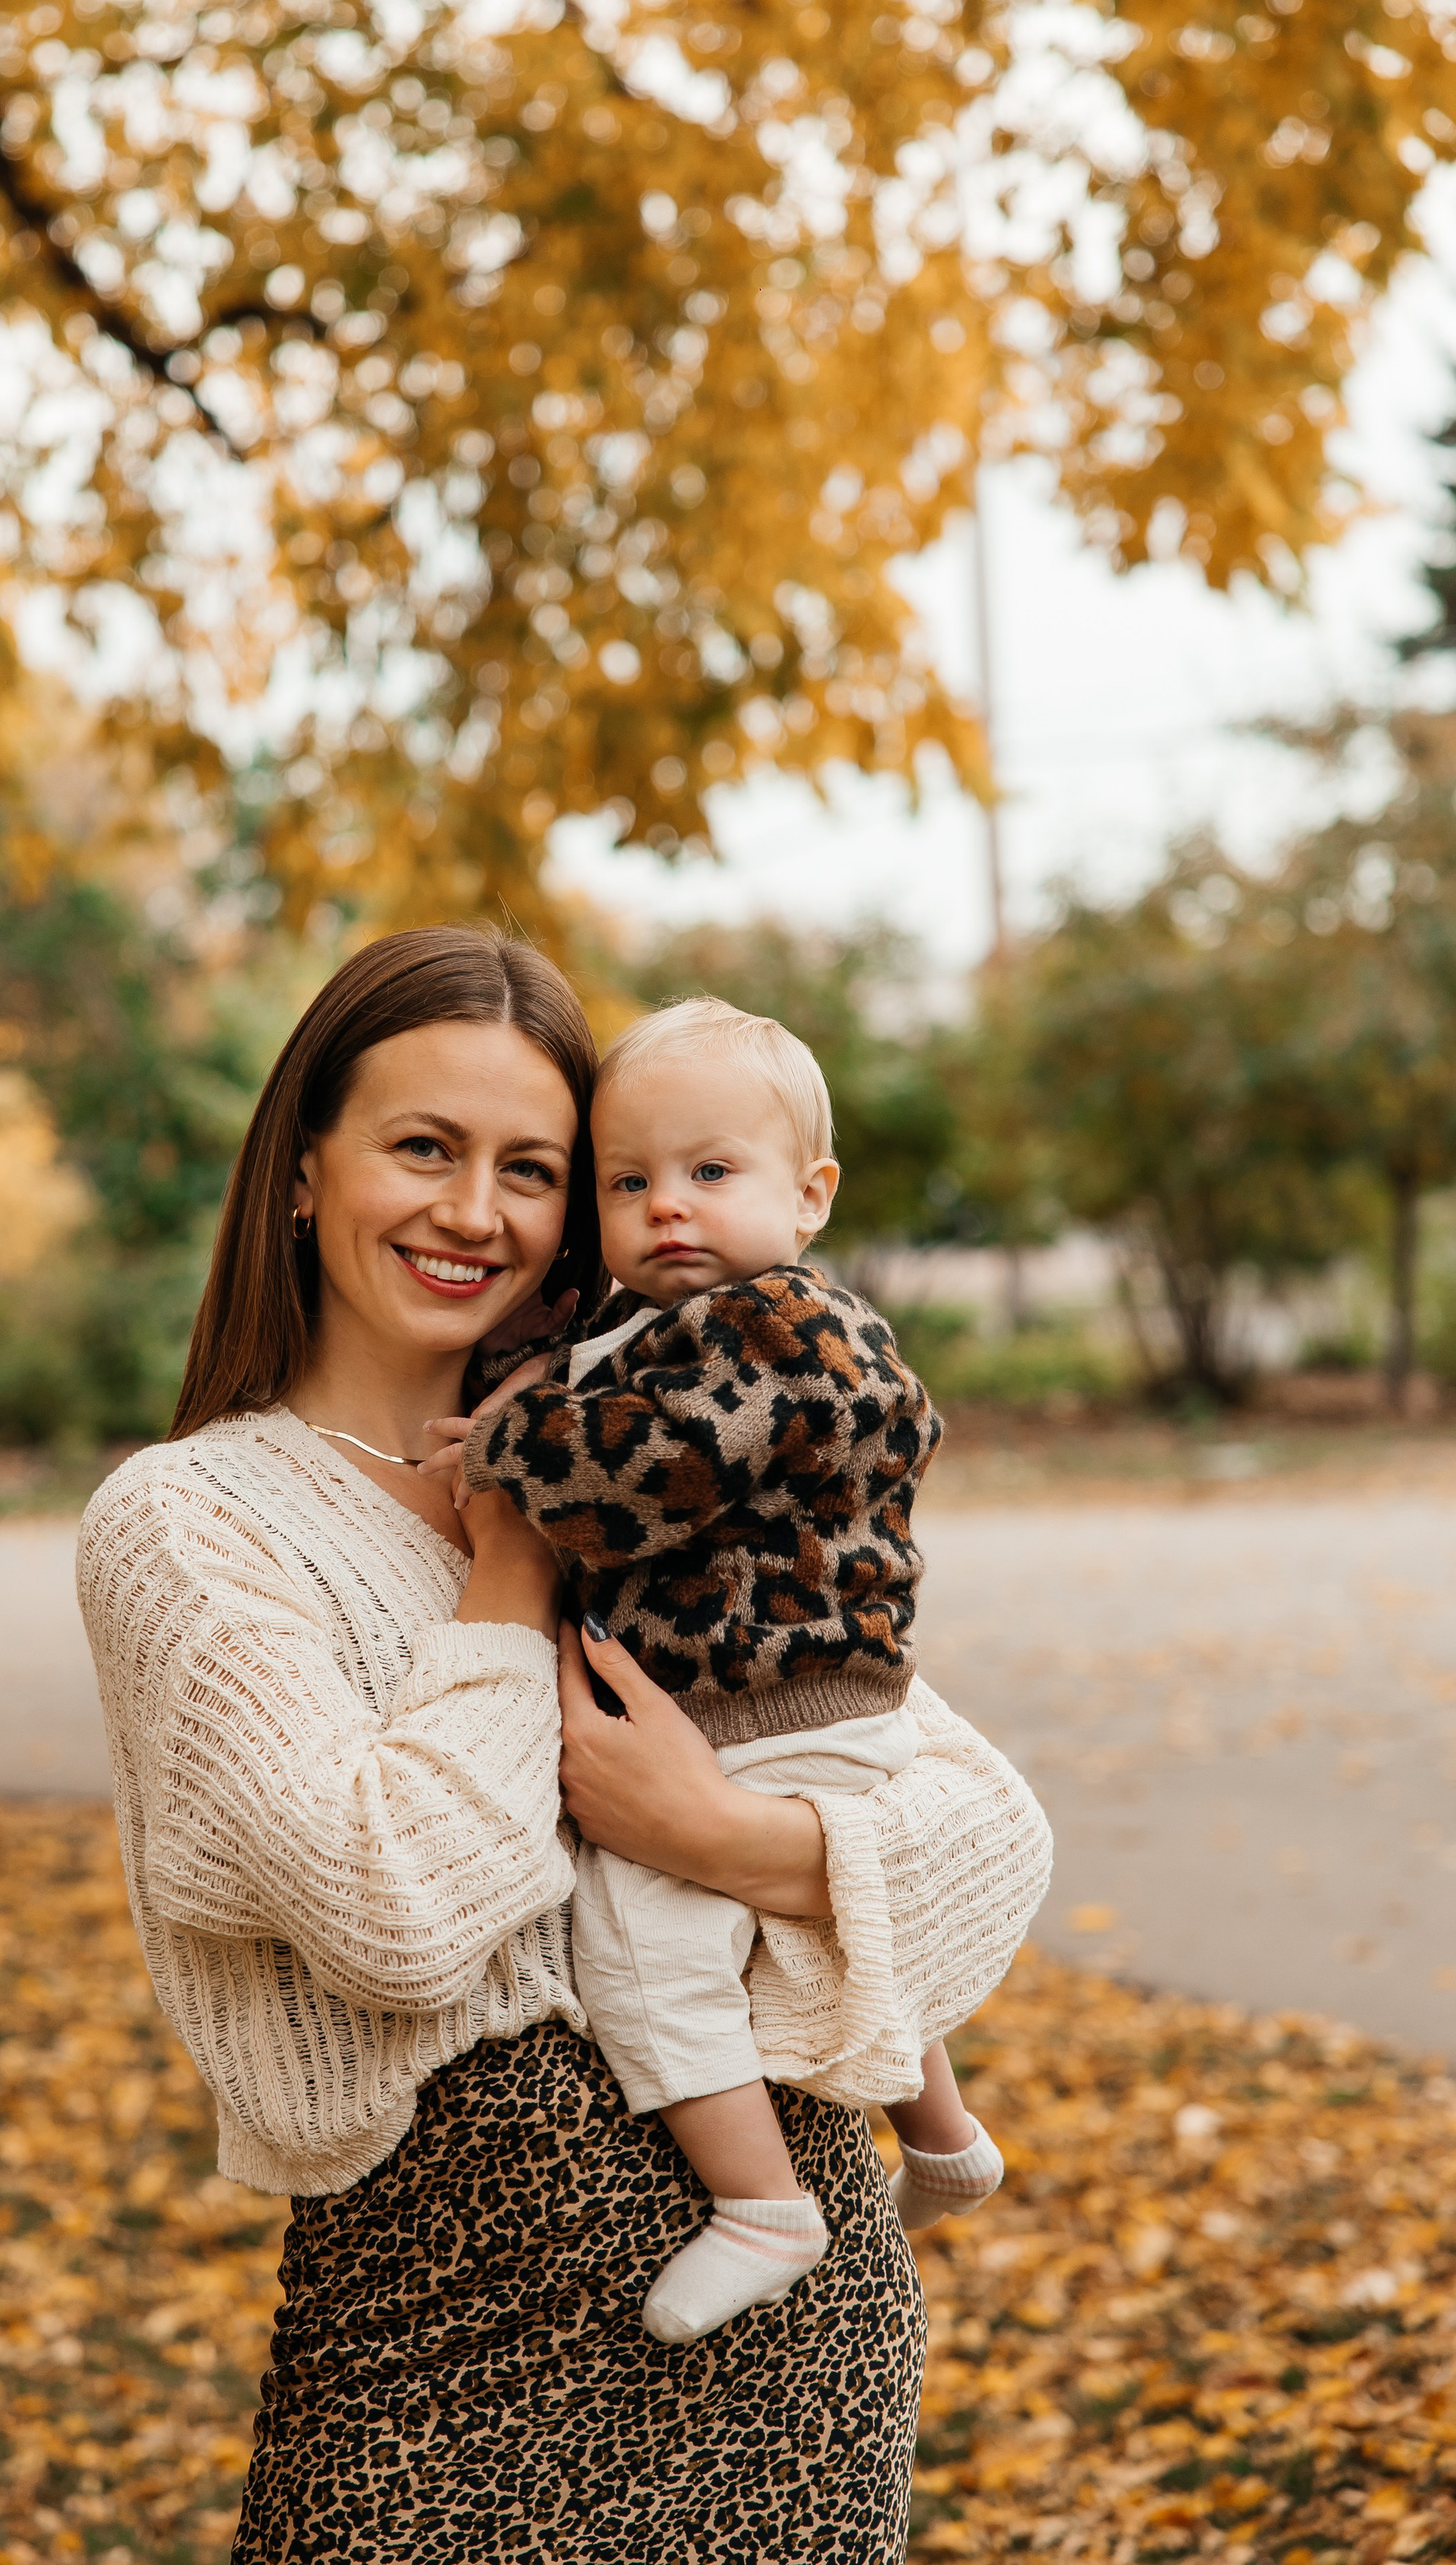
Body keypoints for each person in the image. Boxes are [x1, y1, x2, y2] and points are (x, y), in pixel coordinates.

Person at [77, 925, 1045, 2564]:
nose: (477, 1213)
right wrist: (512, 1563)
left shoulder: (656, 1460)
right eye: (422, 1149)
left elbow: (988, 1839)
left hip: (793, 2378)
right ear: (303, 1171)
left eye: (530, 1167)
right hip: (437, 2386)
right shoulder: (190, 1524)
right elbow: (393, 1911)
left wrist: (730, 1841)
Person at [427, 998, 1027, 2345]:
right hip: (804, 1694)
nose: (667, 1209)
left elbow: (647, 1470)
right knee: (828, 1917)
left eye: (710, 1172)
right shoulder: (695, 1333)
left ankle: (762, 2204)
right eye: (629, 1182)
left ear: (809, 1196)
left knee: (645, 1940)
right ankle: (941, 2134)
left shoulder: (774, 1331)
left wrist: (504, 1451)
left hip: (761, 1697)